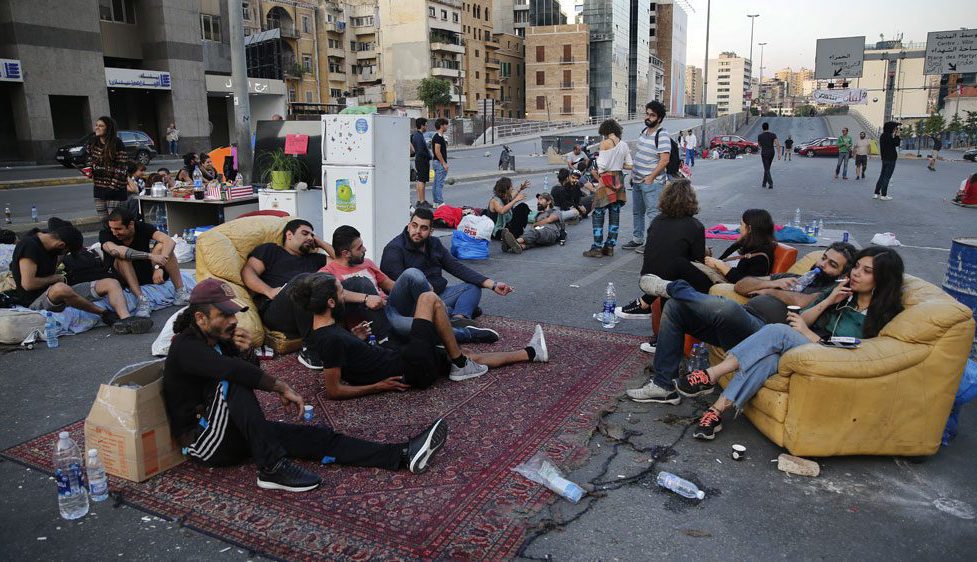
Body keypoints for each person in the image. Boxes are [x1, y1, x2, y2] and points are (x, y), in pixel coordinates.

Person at [163, 278, 450, 492]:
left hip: (233, 432)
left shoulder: (220, 342)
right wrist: (280, 386)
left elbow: (245, 371)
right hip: (204, 442)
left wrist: (246, 352)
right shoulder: (184, 347)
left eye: (233, 313)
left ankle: (401, 454)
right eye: (224, 315)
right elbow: (234, 375)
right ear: (200, 318)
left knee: (316, 438)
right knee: (233, 381)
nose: (232, 320)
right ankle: (272, 468)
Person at [681, 247, 904, 440]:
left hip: (834, 356)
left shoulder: (884, 313)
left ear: (883, 278)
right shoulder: (843, 293)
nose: (856, 273)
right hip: (808, 345)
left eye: (866, 271)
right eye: (856, 267)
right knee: (768, 359)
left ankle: (711, 374)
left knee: (777, 330)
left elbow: (867, 353)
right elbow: (802, 320)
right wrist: (828, 300)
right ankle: (716, 412)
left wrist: (811, 335)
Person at [625, 242, 857, 404]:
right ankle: (664, 386)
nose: (822, 265)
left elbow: (799, 300)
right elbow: (741, 286)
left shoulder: (829, 293)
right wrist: (774, 284)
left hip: (763, 335)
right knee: (676, 308)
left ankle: (674, 287)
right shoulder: (794, 278)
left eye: (831, 264)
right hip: (741, 323)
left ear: (842, 275)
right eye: (824, 258)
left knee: (726, 306)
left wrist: (769, 290)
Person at [296, 272, 548, 399]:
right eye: (341, 293)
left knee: (470, 356)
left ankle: (532, 353)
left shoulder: (328, 331)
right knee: (428, 299)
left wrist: (356, 338)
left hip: (407, 362)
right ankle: (460, 362)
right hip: (410, 367)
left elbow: (347, 358)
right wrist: (378, 386)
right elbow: (333, 390)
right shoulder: (329, 339)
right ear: (330, 302)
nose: (344, 297)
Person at [324, 225, 499, 346]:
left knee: (412, 273)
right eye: (359, 247)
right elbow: (329, 294)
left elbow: (390, 285)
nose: (365, 250)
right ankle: (466, 333)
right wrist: (366, 298)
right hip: (378, 321)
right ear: (346, 253)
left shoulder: (367, 263)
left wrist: (419, 285)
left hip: (390, 305)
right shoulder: (327, 272)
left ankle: (438, 309)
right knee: (424, 329)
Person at [10, 219, 151, 333]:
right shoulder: (29, 245)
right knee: (61, 288)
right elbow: (28, 284)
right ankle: (105, 314)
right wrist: (56, 278)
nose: (63, 257)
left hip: (57, 291)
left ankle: (126, 319)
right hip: (37, 299)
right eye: (66, 252)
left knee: (111, 282)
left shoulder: (51, 244)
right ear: (61, 245)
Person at [380, 207, 513, 323]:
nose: (417, 231)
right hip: (415, 303)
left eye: (424, 228)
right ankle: (455, 312)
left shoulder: (434, 244)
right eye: (414, 226)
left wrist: (493, 285)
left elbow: (456, 267)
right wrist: (426, 292)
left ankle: (459, 318)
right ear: (409, 226)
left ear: (431, 231)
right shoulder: (394, 249)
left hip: (440, 294)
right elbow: (396, 289)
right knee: (417, 278)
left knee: (473, 288)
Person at [615, 179, 705, 325]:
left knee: (671, 275)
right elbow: (698, 261)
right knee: (686, 271)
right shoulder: (695, 226)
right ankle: (665, 333)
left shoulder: (657, 220)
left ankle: (647, 306)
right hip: (671, 278)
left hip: (648, 277)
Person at [241, 219, 335, 357]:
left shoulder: (315, 258)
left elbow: (342, 263)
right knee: (302, 280)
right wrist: (269, 291)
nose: (310, 237)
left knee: (354, 282)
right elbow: (248, 272)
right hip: (278, 309)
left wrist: (320, 242)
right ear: (289, 235)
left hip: (310, 308)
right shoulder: (270, 250)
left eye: (312, 235)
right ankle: (311, 350)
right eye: (305, 233)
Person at [100, 208, 189, 317]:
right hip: (122, 275)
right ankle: (141, 300)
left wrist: (158, 266)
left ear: (131, 225)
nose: (114, 232)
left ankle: (180, 293)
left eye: (118, 229)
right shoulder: (106, 233)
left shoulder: (142, 227)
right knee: (122, 257)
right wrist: (150, 256)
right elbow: (118, 251)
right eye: (112, 228)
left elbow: (169, 240)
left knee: (162, 246)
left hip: (145, 270)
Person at [621, 102, 670, 254]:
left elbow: (664, 160)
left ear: (659, 118)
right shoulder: (644, 131)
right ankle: (637, 239)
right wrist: (633, 173)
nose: (648, 117)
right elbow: (639, 155)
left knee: (653, 214)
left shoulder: (662, 135)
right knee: (637, 212)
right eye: (647, 114)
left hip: (652, 183)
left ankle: (652, 243)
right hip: (637, 180)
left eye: (652, 115)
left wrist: (650, 177)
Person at [584, 119, 631, 258]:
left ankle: (597, 248)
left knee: (598, 213)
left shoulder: (605, 143)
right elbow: (629, 165)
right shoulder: (624, 145)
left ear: (606, 131)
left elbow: (602, 166)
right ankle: (609, 246)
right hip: (619, 179)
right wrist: (617, 163)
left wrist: (598, 172)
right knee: (614, 214)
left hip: (606, 179)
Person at [85, 116, 129, 220]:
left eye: (101, 126)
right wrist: (89, 170)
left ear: (108, 128)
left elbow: (122, 169)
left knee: (116, 222)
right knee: (104, 221)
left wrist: (112, 188)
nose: (97, 128)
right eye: (96, 125)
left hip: (115, 190)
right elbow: (88, 160)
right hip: (99, 189)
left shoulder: (117, 143)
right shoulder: (92, 142)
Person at [874, 121, 901, 200]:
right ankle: (884, 195)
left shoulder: (883, 135)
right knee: (887, 177)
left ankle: (876, 193)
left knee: (882, 176)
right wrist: (897, 136)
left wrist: (895, 135)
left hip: (884, 158)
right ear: (891, 128)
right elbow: (896, 144)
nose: (895, 129)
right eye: (895, 128)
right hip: (891, 159)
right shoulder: (889, 136)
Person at [410, 118, 432, 207]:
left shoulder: (416, 135)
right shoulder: (418, 136)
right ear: (422, 125)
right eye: (426, 125)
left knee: (420, 180)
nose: (426, 127)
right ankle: (422, 201)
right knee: (422, 181)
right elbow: (420, 150)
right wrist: (429, 156)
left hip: (420, 160)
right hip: (422, 160)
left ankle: (420, 200)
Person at [430, 118, 449, 207]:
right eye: (446, 124)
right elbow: (437, 151)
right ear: (442, 126)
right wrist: (444, 163)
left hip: (436, 162)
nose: (447, 126)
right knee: (439, 184)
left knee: (436, 183)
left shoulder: (438, 136)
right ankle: (440, 203)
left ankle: (436, 202)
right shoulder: (438, 137)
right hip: (439, 163)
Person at [757, 122, 780, 189]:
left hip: (764, 153)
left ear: (762, 128)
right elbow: (777, 144)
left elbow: (759, 145)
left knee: (766, 168)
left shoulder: (760, 136)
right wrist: (779, 154)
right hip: (771, 153)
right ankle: (764, 183)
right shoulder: (773, 135)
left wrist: (763, 145)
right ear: (768, 127)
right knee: (767, 168)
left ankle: (770, 183)